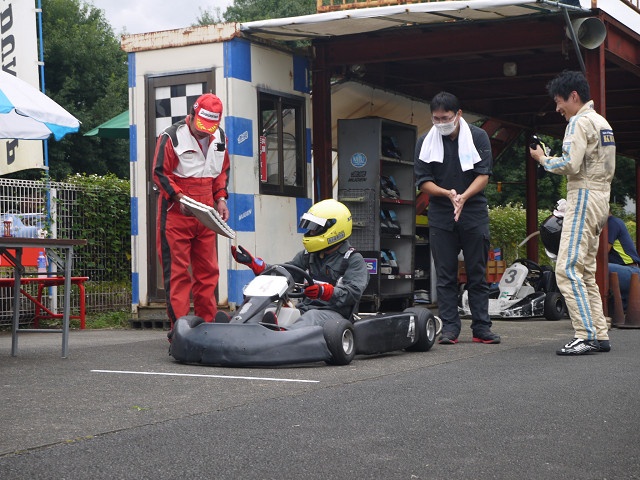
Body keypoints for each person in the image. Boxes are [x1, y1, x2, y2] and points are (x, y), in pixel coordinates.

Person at [530, 70, 616, 355]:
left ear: (574, 96)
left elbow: (570, 163)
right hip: (602, 199)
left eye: (559, 101)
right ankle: (599, 333)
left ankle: (585, 335)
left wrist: (543, 158)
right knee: (586, 271)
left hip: (583, 197)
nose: (558, 108)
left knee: (566, 269)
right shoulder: (601, 122)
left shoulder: (579, 122)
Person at [414, 91, 499, 345]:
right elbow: (423, 181)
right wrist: (448, 194)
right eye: (436, 118)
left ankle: (481, 327)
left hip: (473, 210)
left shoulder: (478, 136)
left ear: (458, 114)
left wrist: (463, 197)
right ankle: (450, 328)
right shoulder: (425, 141)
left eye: (446, 118)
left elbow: (483, 175)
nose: (441, 123)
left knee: (477, 272)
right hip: (441, 212)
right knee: (445, 274)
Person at [153, 93, 230, 328]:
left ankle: (207, 327)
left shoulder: (220, 137)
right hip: (176, 212)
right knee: (177, 273)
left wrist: (220, 198)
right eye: (201, 126)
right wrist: (179, 197)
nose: (204, 132)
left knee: (208, 272)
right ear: (192, 114)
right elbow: (159, 173)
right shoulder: (171, 136)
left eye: (209, 128)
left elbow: (221, 171)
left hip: (206, 212)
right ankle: (180, 329)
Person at [230, 199, 369, 328]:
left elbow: (353, 293)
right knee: (270, 309)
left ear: (334, 230)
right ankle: (237, 326)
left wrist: (325, 291)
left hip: (335, 315)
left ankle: (281, 337)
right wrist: (257, 265)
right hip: (305, 309)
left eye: (315, 229)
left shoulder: (353, 259)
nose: (311, 232)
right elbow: (286, 274)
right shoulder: (308, 255)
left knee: (311, 316)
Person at [607, 212, 640, 310]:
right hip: (624, 270)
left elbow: (602, 253)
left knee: (597, 267)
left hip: (631, 270)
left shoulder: (612, 223)